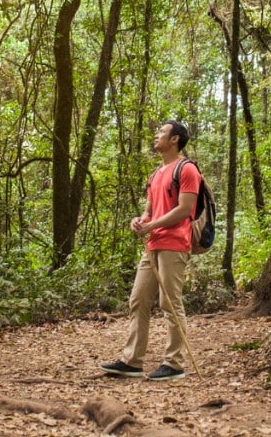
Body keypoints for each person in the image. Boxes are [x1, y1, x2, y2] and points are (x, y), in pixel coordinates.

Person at [101, 120, 200, 381]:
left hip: (174, 243)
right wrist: (141, 220)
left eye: (161, 133)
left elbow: (184, 209)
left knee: (169, 302)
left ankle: (174, 363)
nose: (156, 137)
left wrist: (152, 224)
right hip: (152, 244)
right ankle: (132, 361)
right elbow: (149, 209)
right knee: (138, 300)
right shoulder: (156, 174)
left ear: (175, 139)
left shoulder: (186, 169)